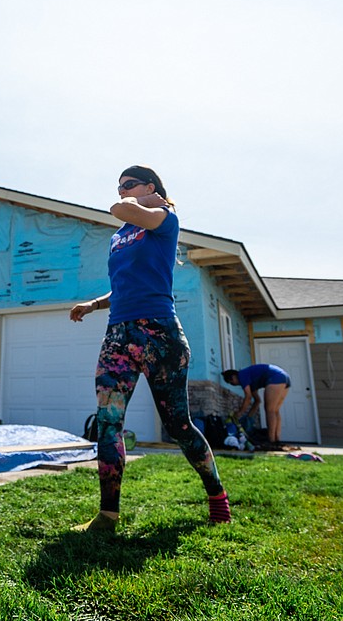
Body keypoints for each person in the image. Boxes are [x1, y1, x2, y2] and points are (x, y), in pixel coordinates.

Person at [69, 166, 231, 531]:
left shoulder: (163, 219)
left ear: (150, 187)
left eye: (130, 184)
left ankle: (216, 494)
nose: (122, 191)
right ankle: (108, 514)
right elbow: (125, 286)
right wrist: (93, 304)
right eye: (119, 186)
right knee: (108, 421)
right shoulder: (120, 236)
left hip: (160, 334)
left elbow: (117, 208)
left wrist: (138, 201)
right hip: (118, 336)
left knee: (179, 424)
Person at [222, 364, 292, 448]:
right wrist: (249, 417)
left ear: (233, 377)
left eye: (231, 382)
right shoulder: (250, 379)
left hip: (275, 377)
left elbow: (248, 397)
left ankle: (271, 441)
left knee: (270, 410)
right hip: (284, 377)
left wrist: (239, 413)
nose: (233, 385)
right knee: (275, 410)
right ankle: (276, 440)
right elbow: (257, 401)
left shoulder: (242, 375)